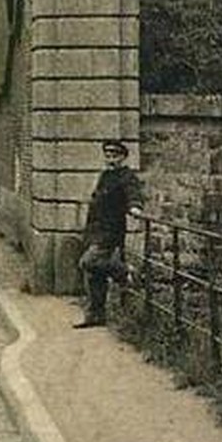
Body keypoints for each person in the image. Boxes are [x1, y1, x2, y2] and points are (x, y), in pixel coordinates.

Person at [75, 139, 146, 328]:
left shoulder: (126, 176)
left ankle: (125, 271)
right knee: (93, 275)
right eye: (108, 155)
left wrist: (135, 208)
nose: (111, 158)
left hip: (110, 232)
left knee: (88, 262)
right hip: (95, 231)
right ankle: (96, 315)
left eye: (115, 155)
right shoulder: (105, 175)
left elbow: (134, 194)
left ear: (123, 157)